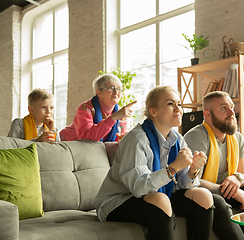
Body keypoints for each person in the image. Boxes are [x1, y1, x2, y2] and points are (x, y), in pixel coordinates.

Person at [95, 86, 221, 240]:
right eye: (170, 104)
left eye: (179, 104)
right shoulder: (137, 139)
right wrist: (174, 167)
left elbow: (183, 184)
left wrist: (192, 170)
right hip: (118, 201)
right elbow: (139, 188)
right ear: (153, 112)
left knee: (203, 195)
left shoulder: (178, 140)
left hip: (157, 194)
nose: (178, 109)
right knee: (160, 199)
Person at [184, 91, 244, 240]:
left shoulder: (237, 137)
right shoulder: (198, 136)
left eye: (232, 107)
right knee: (219, 203)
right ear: (208, 114)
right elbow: (192, 181)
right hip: (197, 193)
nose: (232, 112)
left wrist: (237, 178)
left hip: (221, 191)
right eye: (224, 108)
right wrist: (231, 191)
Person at [60, 74, 136, 142]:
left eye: (119, 88)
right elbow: (87, 137)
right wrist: (113, 118)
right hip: (66, 146)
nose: (116, 92)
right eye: (111, 88)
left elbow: (116, 139)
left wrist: (123, 138)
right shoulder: (86, 108)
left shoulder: (120, 112)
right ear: (99, 93)